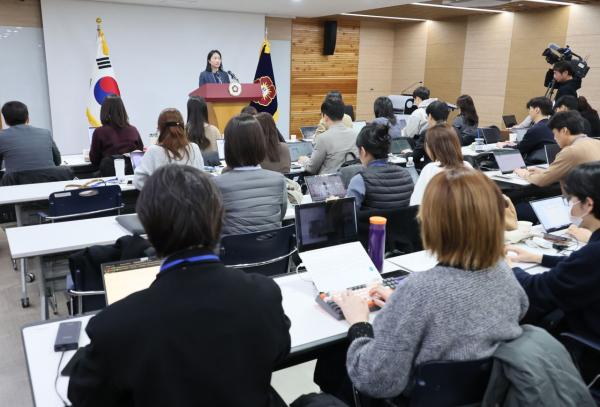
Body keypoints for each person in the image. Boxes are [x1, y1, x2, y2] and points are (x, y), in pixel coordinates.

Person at [67, 164, 291, 407]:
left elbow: (83, 396)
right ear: (219, 220)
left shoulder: (116, 325)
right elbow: (279, 351)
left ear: (148, 233)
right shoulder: (263, 295)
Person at [326, 168, 527, 403]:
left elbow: (375, 380)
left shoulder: (419, 290)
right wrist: (403, 306)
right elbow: (513, 308)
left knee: (331, 366)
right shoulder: (502, 271)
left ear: (431, 223)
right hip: (486, 397)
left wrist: (359, 323)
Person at [508, 161, 600, 341]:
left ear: (588, 204)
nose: (568, 205)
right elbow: (581, 267)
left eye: (570, 199)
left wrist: (511, 268)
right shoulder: (592, 253)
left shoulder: (593, 254)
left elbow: (538, 290)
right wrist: (539, 257)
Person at [214, 114, 287, 236]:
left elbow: (214, 223)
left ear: (228, 147)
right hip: (272, 252)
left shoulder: (217, 184)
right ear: (260, 144)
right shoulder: (278, 180)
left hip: (233, 252)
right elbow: (281, 214)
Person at [515, 111, 600, 187]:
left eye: (554, 133)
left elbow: (541, 181)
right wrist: (544, 172)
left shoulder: (570, 151)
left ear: (564, 131)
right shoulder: (596, 142)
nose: (554, 138)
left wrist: (524, 174)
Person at [346, 124, 414, 210]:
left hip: (371, 223)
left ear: (363, 151)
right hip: (402, 223)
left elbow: (348, 214)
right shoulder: (406, 175)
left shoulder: (360, 180)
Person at [133, 108, 204, 189]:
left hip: (162, 200)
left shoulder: (153, 151)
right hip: (192, 200)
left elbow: (138, 181)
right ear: (182, 126)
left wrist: (155, 191)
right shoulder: (194, 148)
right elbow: (201, 177)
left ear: (159, 128)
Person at [410, 124, 473, 206]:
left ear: (432, 147)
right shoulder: (467, 166)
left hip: (437, 217)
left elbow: (416, 204)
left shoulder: (430, 169)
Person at [298, 97, 358, 175]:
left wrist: (304, 160)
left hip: (329, 183)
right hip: (349, 181)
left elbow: (311, 168)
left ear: (325, 117)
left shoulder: (323, 138)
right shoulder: (356, 134)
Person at [0, 101, 61, 173]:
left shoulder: (2, 136)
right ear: (27, 118)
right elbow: (57, 161)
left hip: (17, 183)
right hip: (49, 180)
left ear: (5, 121)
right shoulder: (45, 133)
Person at [499, 97, 556, 165]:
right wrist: (515, 144)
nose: (529, 112)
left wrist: (503, 146)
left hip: (534, 164)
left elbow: (518, 150)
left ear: (537, 110)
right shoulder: (554, 126)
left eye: (530, 109)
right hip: (548, 163)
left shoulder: (535, 129)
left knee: (499, 161)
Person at [89, 95, 143, 167]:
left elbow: (94, 160)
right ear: (122, 110)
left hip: (109, 175)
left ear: (104, 111)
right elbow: (139, 153)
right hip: (132, 175)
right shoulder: (133, 130)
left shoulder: (99, 132)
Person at [412, 100, 451, 170]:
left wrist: (408, 154)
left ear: (430, 116)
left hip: (431, 170)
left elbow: (415, 157)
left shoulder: (428, 133)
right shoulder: (454, 131)